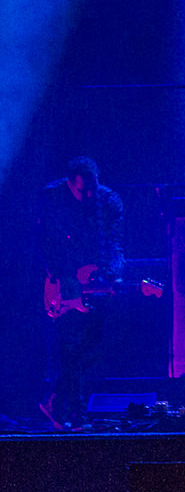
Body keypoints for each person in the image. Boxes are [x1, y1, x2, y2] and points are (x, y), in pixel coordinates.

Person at [37, 155, 124, 429]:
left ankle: (55, 398)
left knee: (92, 347)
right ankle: (76, 413)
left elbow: (115, 242)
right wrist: (57, 278)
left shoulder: (109, 202)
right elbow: (43, 241)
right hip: (63, 281)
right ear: (69, 183)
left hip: (96, 280)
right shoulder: (53, 196)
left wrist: (112, 273)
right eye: (81, 191)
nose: (87, 196)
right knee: (69, 346)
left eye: (92, 189)